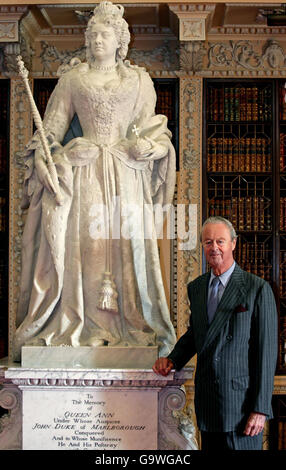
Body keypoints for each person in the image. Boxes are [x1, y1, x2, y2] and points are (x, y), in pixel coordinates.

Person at [13, 1, 177, 361]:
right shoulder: (73, 80)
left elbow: (150, 131)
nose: (96, 40)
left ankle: (128, 325)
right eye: (92, 35)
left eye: (104, 34)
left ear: (120, 40)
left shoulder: (139, 81)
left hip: (126, 174)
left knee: (126, 246)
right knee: (85, 246)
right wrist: (61, 155)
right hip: (85, 170)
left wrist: (147, 148)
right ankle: (81, 324)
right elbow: (49, 134)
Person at [153, 216, 278, 451]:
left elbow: (267, 353)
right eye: (208, 242)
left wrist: (260, 409)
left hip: (242, 407)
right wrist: (172, 359)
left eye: (220, 241)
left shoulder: (257, 288)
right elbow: (196, 334)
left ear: (233, 243)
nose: (214, 248)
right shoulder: (197, 288)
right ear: (202, 247)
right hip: (208, 403)